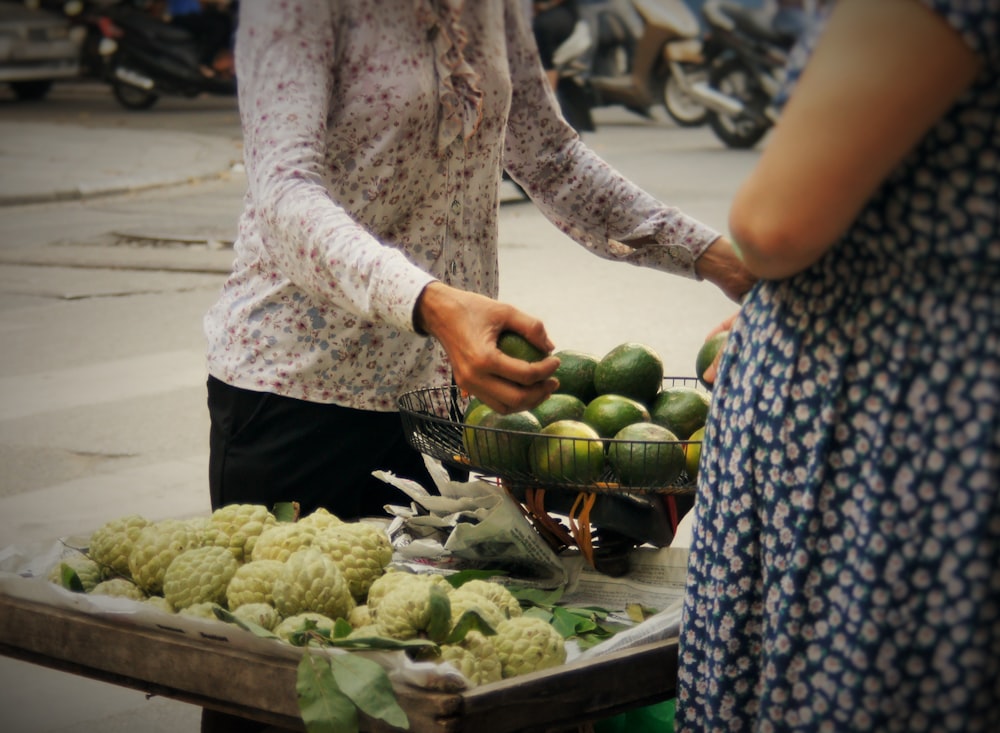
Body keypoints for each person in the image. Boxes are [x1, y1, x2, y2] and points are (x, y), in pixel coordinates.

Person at [203, 0, 754, 530]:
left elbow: (551, 157)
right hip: (300, 394)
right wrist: (431, 303)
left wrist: (721, 261)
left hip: (443, 406)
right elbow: (284, 191)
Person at [677, 0, 999, 730]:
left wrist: (795, 288)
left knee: (849, 673)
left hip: (890, 424)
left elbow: (776, 221)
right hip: (926, 377)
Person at [532, 0, 579, 90]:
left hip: (562, 9)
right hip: (533, 11)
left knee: (542, 29)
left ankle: (548, 93)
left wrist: (546, 5)